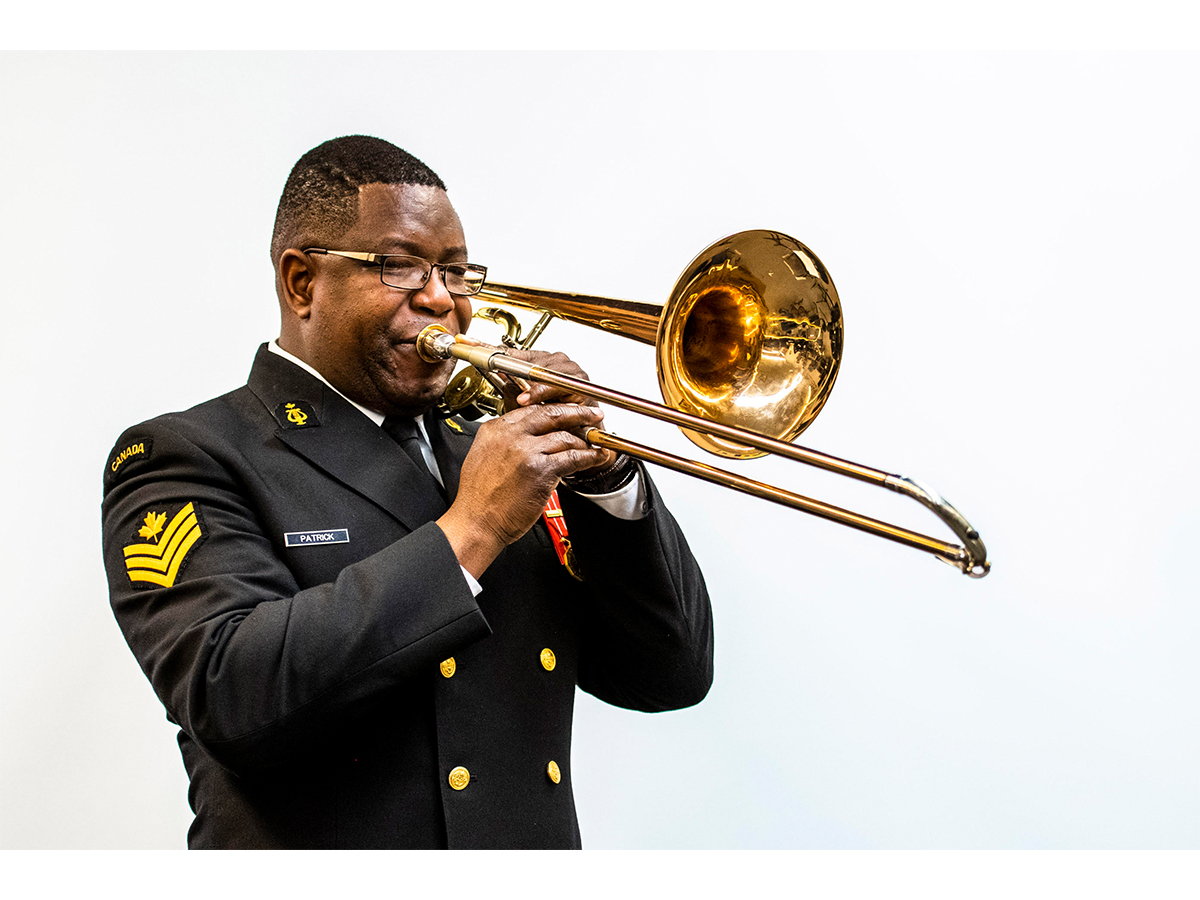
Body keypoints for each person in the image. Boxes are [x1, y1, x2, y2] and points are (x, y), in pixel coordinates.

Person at [101, 135, 713, 849]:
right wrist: (473, 529)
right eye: (399, 267)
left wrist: (606, 485)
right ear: (301, 282)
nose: (440, 298)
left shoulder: (493, 453)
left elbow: (668, 675)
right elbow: (232, 698)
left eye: (455, 271)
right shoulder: (187, 455)